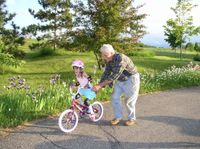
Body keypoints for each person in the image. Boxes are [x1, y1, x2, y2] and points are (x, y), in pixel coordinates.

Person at [92, 44, 140, 126]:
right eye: (103, 55)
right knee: (114, 97)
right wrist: (99, 86)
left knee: (129, 101)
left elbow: (114, 76)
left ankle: (132, 118)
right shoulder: (109, 59)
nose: (103, 57)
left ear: (111, 53)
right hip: (120, 80)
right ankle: (118, 117)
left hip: (131, 79)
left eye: (105, 55)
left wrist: (100, 86)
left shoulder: (120, 58)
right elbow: (106, 73)